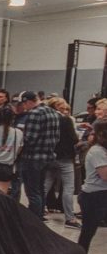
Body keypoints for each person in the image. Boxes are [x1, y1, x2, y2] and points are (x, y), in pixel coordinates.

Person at [16, 89, 60, 219]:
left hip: (32, 158)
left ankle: (34, 219)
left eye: (24, 104)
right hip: (48, 157)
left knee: (33, 192)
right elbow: (57, 137)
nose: (23, 107)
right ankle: (40, 216)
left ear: (28, 102)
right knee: (40, 189)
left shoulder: (34, 114)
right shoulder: (53, 112)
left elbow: (30, 139)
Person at [43, 97, 81, 228]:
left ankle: (39, 210)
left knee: (46, 185)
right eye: (63, 108)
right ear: (57, 108)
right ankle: (70, 218)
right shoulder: (66, 120)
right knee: (68, 188)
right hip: (65, 157)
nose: (65, 111)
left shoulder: (47, 119)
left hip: (50, 156)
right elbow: (74, 139)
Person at [78, 120, 107, 254]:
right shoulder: (97, 151)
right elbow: (105, 175)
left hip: (100, 194)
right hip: (94, 196)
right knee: (88, 231)